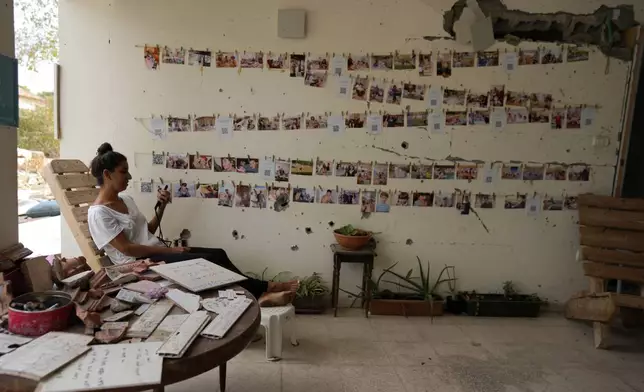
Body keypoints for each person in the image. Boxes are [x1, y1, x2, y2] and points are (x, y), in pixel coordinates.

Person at [87, 143, 297, 306]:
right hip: (140, 263)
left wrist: (162, 206)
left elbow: (147, 231)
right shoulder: (99, 213)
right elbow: (127, 249)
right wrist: (172, 251)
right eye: (124, 172)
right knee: (207, 261)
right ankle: (265, 289)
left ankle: (260, 293)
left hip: (157, 252)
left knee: (218, 253)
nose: (129, 176)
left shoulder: (126, 200)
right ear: (107, 174)